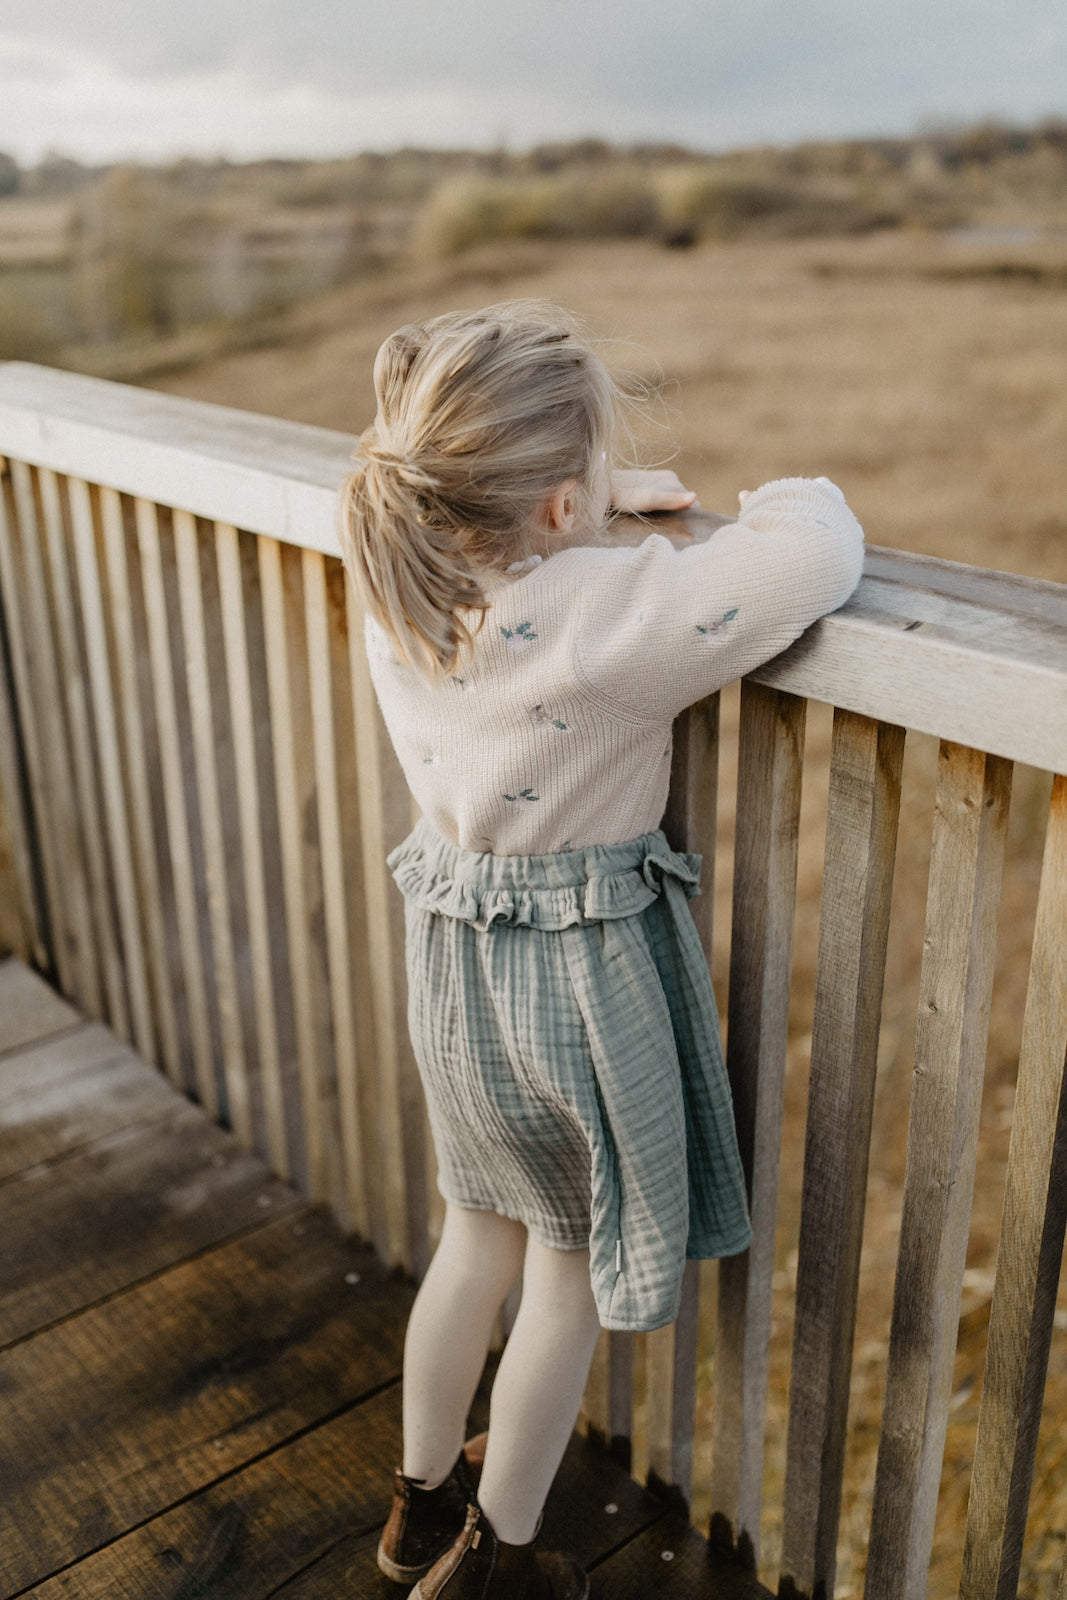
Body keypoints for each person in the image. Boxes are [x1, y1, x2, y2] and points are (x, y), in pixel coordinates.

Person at [339, 301, 864, 1600]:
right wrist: (781, 490)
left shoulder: (395, 571)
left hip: (455, 970)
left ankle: (416, 1509)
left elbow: (464, 505)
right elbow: (812, 558)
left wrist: (585, 491)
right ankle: (500, 1558)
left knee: (475, 1241)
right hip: (576, 983)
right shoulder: (606, 612)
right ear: (561, 510)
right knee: (562, 1282)